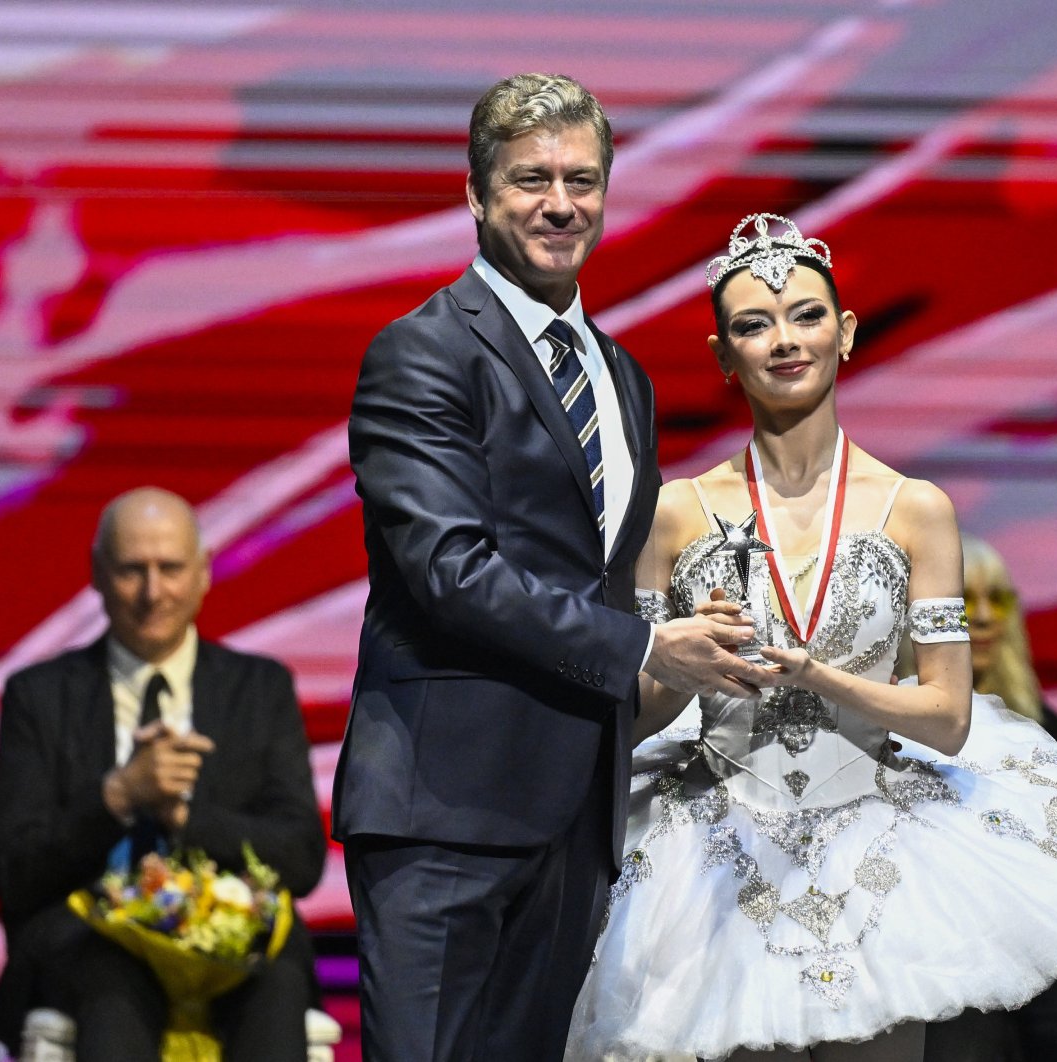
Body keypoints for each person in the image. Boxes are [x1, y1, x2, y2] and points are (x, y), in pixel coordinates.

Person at [567, 214, 1057, 1061]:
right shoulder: (673, 514)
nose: (784, 340)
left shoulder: (916, 511)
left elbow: (947, 718)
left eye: (806, 316)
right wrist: (680, 664)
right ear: (721, 355)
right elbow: (623, 721)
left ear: (847, 333)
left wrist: (823, 677)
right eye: (754, 324)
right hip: (711, 853)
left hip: (874, 844)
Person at [332, 73, 770, 1062]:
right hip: (442, 811)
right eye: (531, 179)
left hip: (575, 811)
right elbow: (448, 570)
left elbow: (595, 574)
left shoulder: (622, 376)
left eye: (582, 179)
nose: (560, 203)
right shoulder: (423, 353)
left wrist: (686, 629)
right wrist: (651, 644)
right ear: (477, 195)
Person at [0, 487, 325, 1061]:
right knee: (112, 972)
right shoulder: (39, 696)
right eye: (131, 571)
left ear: (203, 574)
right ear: (96, 574)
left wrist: (185, 816)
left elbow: (301, 858)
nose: (152, 592)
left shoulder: (260, 689)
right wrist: (120, 795)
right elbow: (18, 874)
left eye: (169, 569)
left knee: (277, 974)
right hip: (88, 941)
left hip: (235, 935)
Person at [920, 536, 1057, 1062]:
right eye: (966, 600)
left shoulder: (1046, 726)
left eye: (1000, 600)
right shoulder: (898, 711)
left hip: (1037, 943)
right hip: (941, 948)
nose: (986, 617)